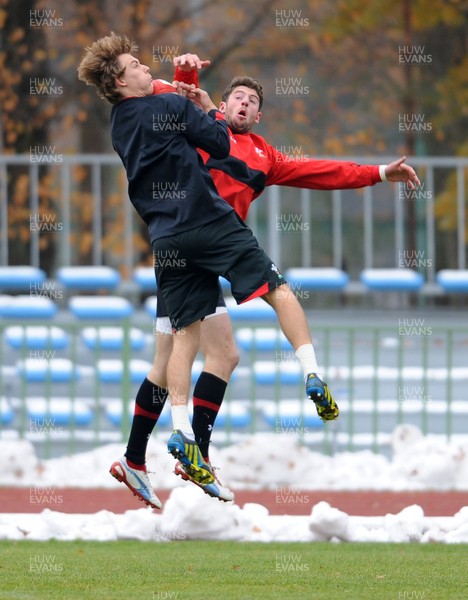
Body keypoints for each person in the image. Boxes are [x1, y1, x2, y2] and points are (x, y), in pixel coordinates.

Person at [111, 52, 421, 507]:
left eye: (251, 100)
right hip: (191, 239)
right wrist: (188, 78)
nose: (242, 103)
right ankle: (141, 460)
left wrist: (377, 173)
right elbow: (165, 98)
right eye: (236, 95)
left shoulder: (264, 155)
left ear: (258, 115)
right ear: (223, 103)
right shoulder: (201, 125)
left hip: (208, 247)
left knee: (223, 354)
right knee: (174, 354)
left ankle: (182, 455)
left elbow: (321, 172)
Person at [78, 35, 341, 510]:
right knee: (186, 350)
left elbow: (163, 102)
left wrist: (183, 83)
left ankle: (178, 445)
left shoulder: (120, 119)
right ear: (121, 79)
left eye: (251, 101)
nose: (144, 68)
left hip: (166, 241)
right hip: (208, 227)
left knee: (206, 349)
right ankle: (153, 455)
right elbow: (216, 140)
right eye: (136, 64)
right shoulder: (178, 110)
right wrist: (194, 97)